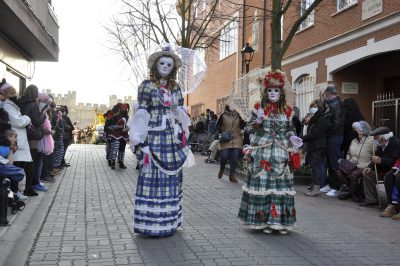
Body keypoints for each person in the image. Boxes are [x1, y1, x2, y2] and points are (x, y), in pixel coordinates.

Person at [129, 43, 193, 237]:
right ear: (156, 64)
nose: (165, 66)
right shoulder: (147, 86)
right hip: (154, 135)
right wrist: (139, 139)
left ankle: (168, 223)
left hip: (171, 137)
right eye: (162, 63)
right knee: (151, 175)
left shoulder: (176, 88)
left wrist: (176, 109)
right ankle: (150, 224)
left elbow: (181, 115)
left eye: (169, 64)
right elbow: (141, 112)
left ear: (173, 68)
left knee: (171, 178)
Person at [238, 70, 302, 234]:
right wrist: (257, 121)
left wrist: (293, 138)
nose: (273, 93)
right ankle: (264, 221)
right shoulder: (259, 108)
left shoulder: (287, 111)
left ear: (281, 92)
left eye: (276, 90)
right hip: (262, 151)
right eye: (270, 90)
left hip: (280, 152)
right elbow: (248, 129)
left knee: (280, 187)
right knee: (263, 185)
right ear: (265, 92)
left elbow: (289, 130)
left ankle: (279, 222)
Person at [0, 80, 35, 197]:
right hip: (14, 140)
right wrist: (27, 118)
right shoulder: (8, 106)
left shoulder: (13, 106)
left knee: (20, 167)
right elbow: (19, 122)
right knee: (16, 167)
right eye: (10, 93)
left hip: (18, 140)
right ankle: (14, 192)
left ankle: (16, 192)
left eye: (14, 92)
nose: (14, 95)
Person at [360, 127, 400, 206]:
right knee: (367, 173)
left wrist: (381, 160)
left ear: (382, 138)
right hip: (382, 171)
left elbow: (394, 161)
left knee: (388, 177)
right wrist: (369, 167)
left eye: (376, 137)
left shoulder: (396, 144)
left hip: (392, 171)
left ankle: (392, 204)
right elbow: (376, 158)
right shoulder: (380, 145)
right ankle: (371, 199)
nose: (374, 140)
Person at [19, 84, 47, 192]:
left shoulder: (20, 103)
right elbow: (37, 121)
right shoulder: (33, 105)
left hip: (21, 134)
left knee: (20, 163)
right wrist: (43, 114)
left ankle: (18, 188)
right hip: (32, 137)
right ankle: (28, 188)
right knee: (31, 163)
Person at [337, 121, 373, 201]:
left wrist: (369, 165)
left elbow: (375, 155)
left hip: (364, 165)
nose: (353, 131)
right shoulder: (353, 141)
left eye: (355, 129)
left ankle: (351, 193)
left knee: (353, 175)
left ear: (362, 131)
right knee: (339, 172)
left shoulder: (371, 141)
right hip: (351, 164)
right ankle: (354, 191)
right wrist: (348, 161)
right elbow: (348, 154)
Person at [320, 84, 345, 197]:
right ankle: (331, 184)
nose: (324, 96)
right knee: (330, 162)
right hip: (332, 136)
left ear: (329, 94)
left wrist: (327, 133)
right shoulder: (332, 104)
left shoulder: (336, 105)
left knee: (334, 162)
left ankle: (336, 187)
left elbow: (336, 123)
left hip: (334, 137)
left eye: (325, 94)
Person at [301, 100, 329, 196]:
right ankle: (314, 186)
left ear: (320, 107)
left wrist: (302, 139)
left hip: (318, 145)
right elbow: (306, 128)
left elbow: (315, 134)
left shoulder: (321, 119)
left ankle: (317, 188)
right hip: (313, 145)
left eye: (315, 106)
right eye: (312, 106)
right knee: (313, 166)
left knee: (316, 167)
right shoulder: (313, 117)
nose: (312, 108)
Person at [216, 105, 244, 182]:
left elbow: (243, 124)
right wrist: (223, 132)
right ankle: (222, 170)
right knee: (224, 156)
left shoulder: (240, 115)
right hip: (226, 137)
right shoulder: (223, 115)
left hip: (237, 137)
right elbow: (217, 125)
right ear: (228, 106)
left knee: (234, 157)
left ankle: (232, 175)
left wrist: (242, 129)